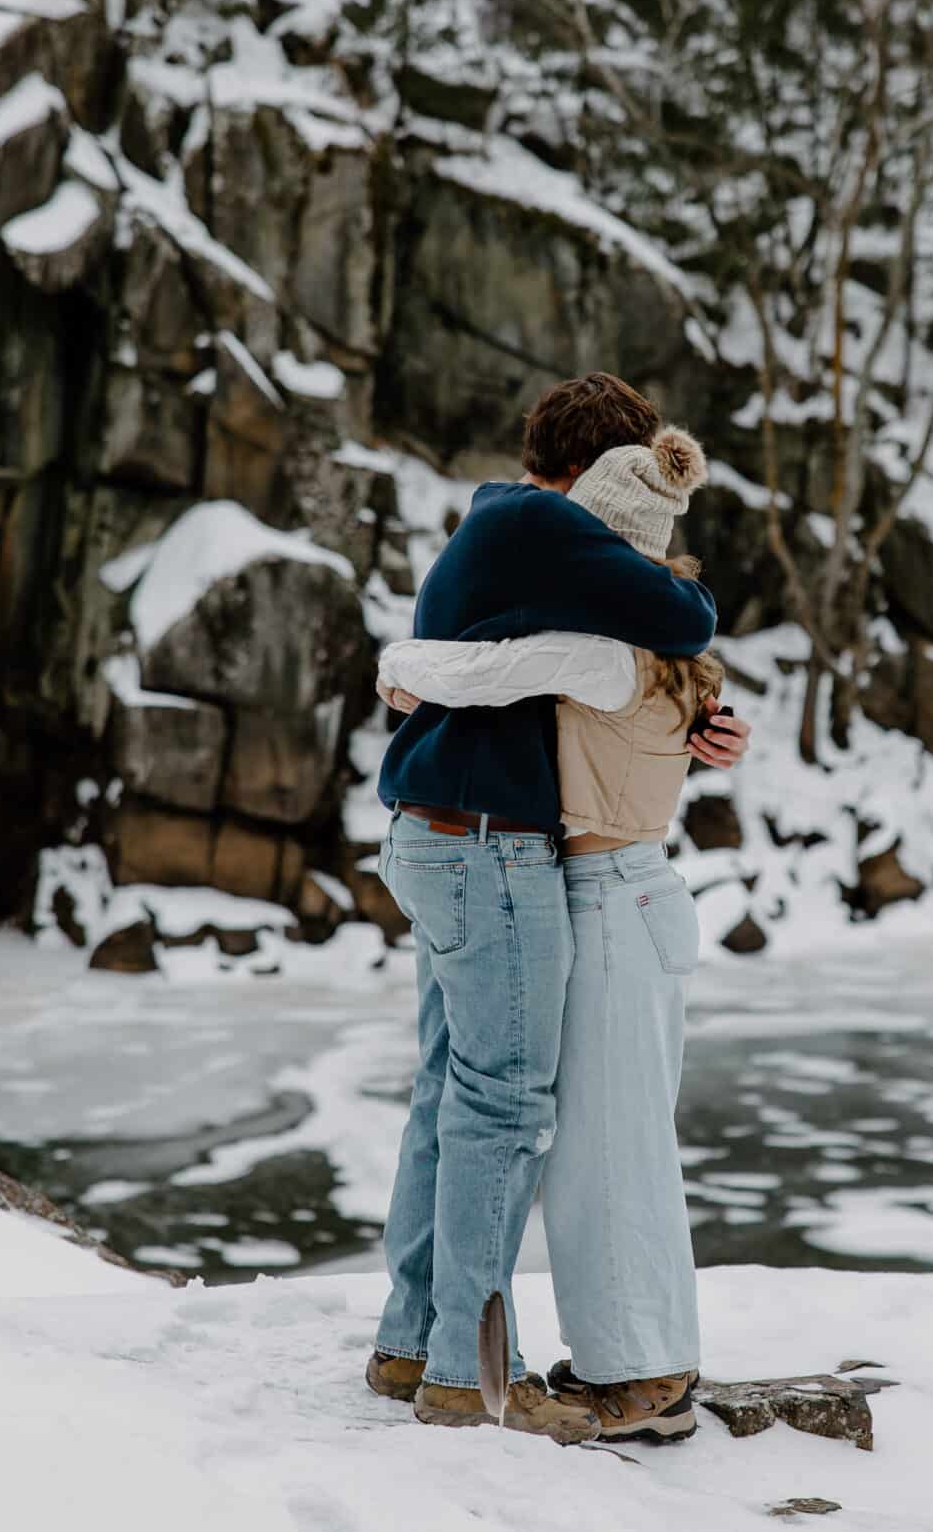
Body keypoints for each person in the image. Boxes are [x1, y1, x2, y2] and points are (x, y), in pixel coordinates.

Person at [363, 373, 750, 1443]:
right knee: (501, 1108)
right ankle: (467, 1369)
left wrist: (700, 722)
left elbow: (604, 674)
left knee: (451, 1095)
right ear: (596, 477)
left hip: (444, 838)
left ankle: (413, 1341)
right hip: (491, 850)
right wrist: (411, 670)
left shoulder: (510, 539)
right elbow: (685, 611)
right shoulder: (538, 523)